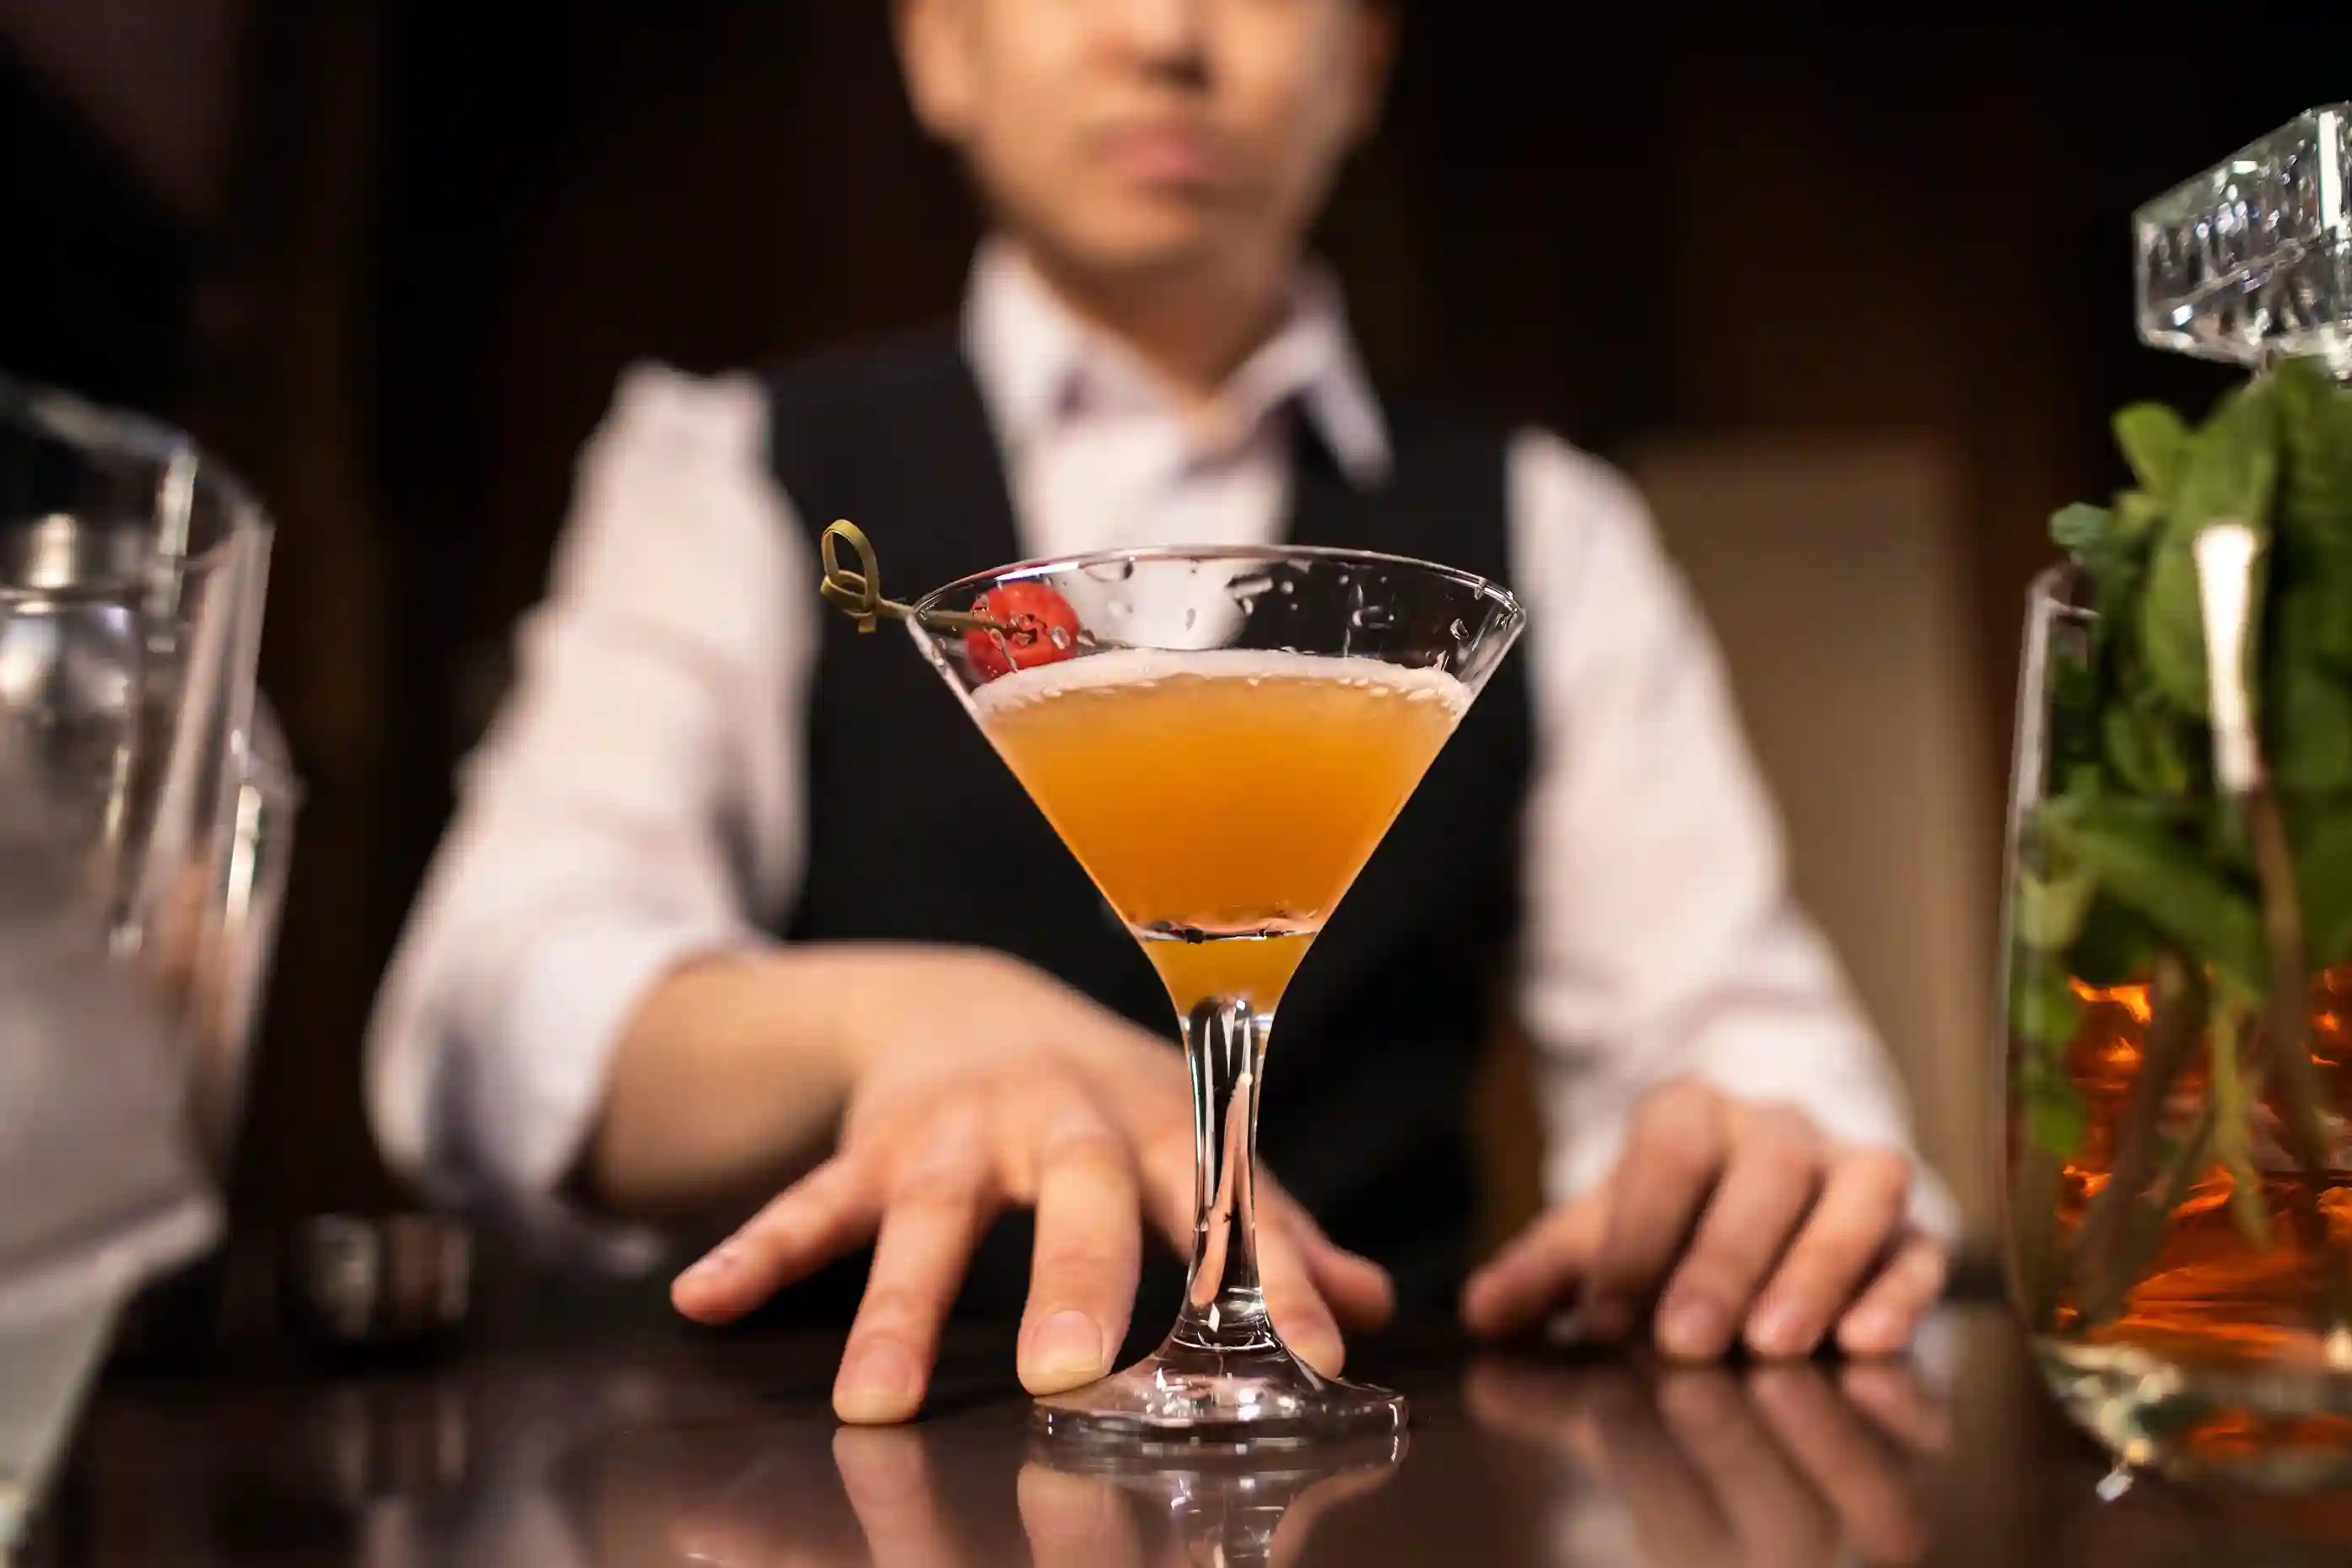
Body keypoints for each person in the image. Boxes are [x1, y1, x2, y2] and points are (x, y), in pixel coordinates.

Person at [367, 0, 1956, 1425]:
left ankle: (1236, 1329)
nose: (1167, 34)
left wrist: (1766, 1163)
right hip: (857, 1475)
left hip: (1391, 1494)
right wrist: (892, 1024)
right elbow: (484, 1009)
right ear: (938, 47)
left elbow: (1743, 1032)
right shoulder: (728, 466)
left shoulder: (1551, 525)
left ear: (1365, 60)